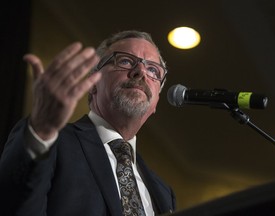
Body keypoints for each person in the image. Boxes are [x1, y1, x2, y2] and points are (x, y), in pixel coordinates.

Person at [0, 30, 176, 215]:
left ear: (156, 102)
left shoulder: (164, 193)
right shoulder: (48, 141)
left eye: (153, 70)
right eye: (125, 61)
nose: (140, 71)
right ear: (93, 84)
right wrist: (41, 131)